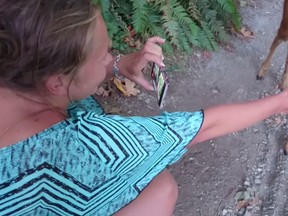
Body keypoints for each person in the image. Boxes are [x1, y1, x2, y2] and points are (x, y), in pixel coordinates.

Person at [0, 0, 287, 215]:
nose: (111, 56)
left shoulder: (14, 73)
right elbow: (203, 126)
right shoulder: (83, 147)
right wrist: (279, 102)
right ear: (58, 82)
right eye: (104, 55)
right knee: (160, 186)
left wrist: (116, 66)